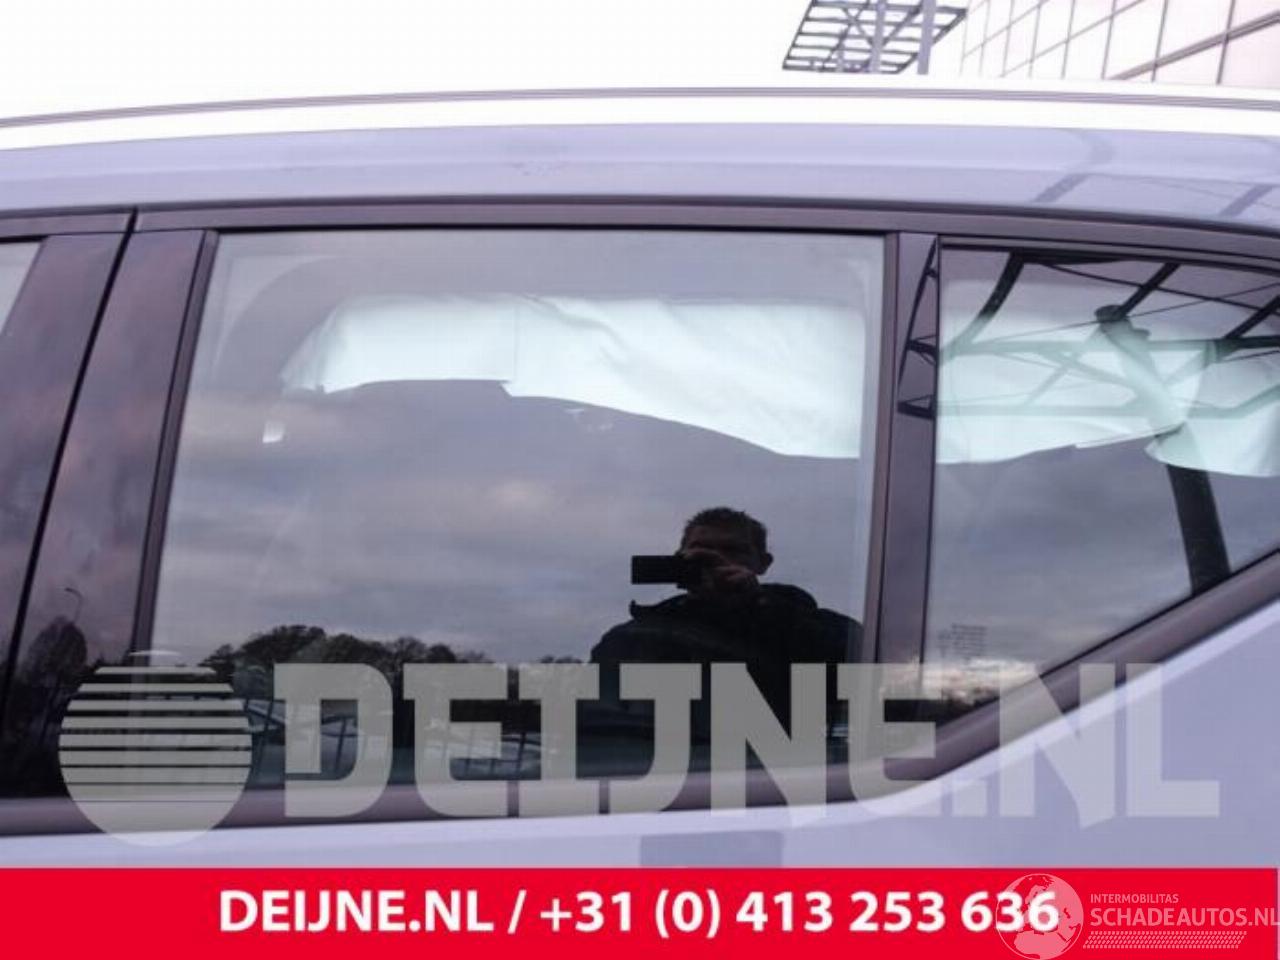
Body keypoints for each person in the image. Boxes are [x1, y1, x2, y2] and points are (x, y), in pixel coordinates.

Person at [590, 506, 860, 734]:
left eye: (733, 551)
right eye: (701, 550)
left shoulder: (804, 624)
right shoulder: (634, 635)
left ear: (763, 563)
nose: (715, 561)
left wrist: (757, 605)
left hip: (768, 773)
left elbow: (859, 674)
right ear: (680, 558)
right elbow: (598, 716)